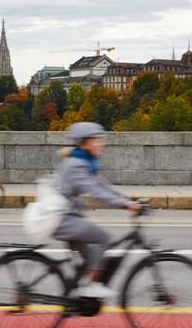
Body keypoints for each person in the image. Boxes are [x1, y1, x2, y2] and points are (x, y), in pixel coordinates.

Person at [53, 122, 140, 299]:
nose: (102, 143)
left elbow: (101, 185)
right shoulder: (77, 164)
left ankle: (76, 295)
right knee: (103, 238)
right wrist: (125, 205)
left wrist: (126, 197)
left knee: (90, 258)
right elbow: (96, 192)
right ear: (85, 143)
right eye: (98, 140)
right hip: (62, 219)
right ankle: (90, 285)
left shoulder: (83, 161)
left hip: (68, 217)